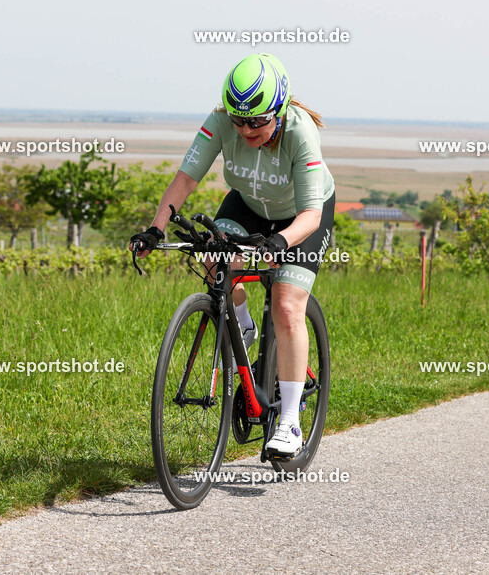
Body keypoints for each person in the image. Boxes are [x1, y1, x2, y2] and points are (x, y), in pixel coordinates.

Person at [130, 53, 335, 459]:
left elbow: (311, 215)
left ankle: (291, 423)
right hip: (247, 207)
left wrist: (280, 243)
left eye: (257, 121)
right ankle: (242, 326)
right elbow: (186, 178)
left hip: (302, 216)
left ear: (278, 110)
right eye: (239, 120)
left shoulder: (300, 131)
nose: (245, 130)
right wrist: (156, 228)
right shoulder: (220, 122)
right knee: (213, 258)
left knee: (287, 304)